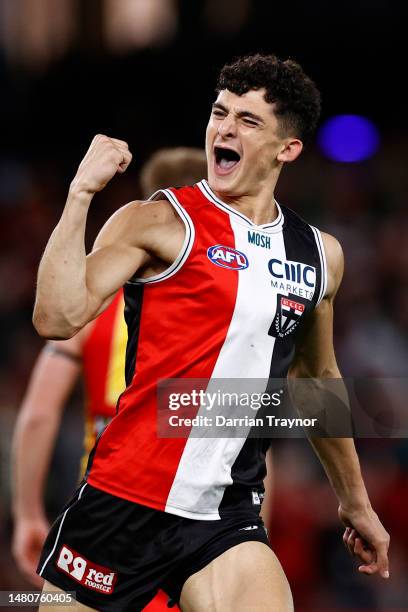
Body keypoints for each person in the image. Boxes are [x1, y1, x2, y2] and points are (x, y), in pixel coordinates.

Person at [32, 54, 390, 611]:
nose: (224, 128)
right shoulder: (156, 220)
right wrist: (80, 194)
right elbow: (55, 318)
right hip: (121, 502)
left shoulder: (321, 255)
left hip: (224, 519)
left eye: (248, 121)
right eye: (220, 113)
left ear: (287, 149)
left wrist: (356, 504)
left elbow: (317, 380)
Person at [12, 148, 207, 611]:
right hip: (188, 522)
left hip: (101, 514)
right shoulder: (215, 315)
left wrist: (26, 513)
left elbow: (39, 414)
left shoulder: (89, 298)